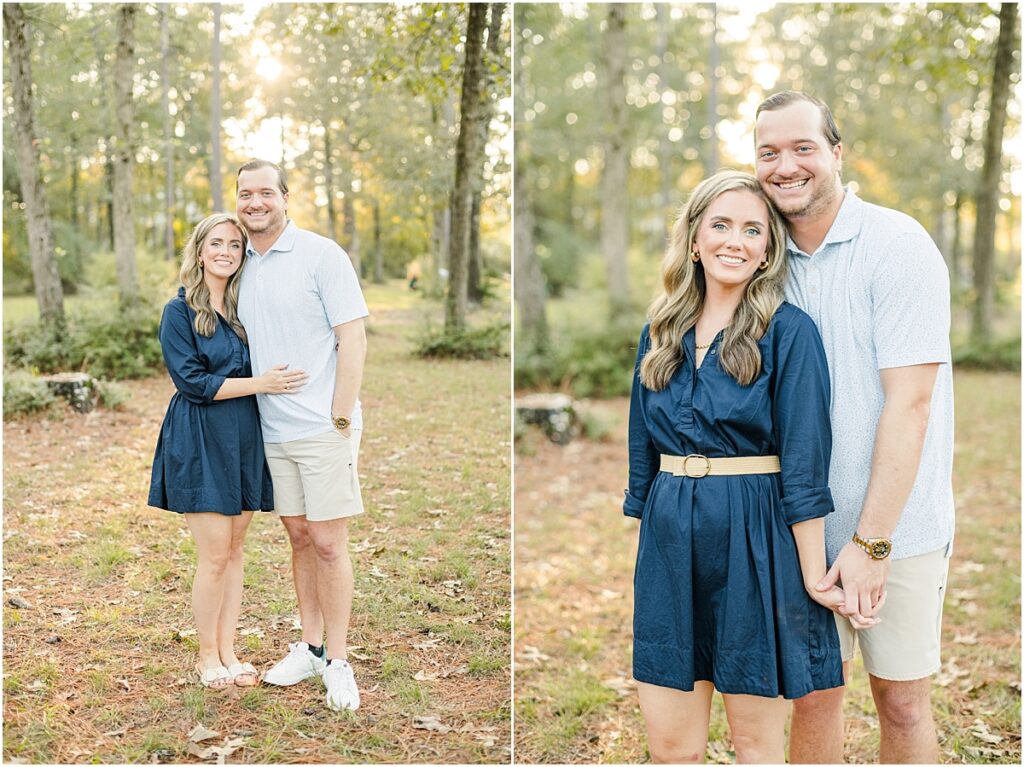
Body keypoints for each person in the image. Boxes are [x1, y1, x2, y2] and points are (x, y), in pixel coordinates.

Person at [625, 170, 856, 763]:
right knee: (672, 746)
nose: (736, 240)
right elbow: (640, 451)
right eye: (721, 224)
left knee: (756, 744)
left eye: (753, 229)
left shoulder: (788, 332)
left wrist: (811, 574)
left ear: (768, 249)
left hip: (757, 543)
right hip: (671, 541)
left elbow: (805, 464)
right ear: (695, 239)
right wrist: (653, 529)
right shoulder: (659, 332)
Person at [754, 90, 955, 764]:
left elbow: (911, 403)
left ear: (837, 154)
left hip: (900, 526)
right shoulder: (758, 257)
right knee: (813, 699)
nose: (786, 165)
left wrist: (871, 543)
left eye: (802, 147)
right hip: (801, 529)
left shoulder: (897, 245)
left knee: (901, 702)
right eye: (769, 152)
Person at [148, 213, 308, 689]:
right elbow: (192, 382)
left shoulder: (243, 312)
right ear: (199, 252)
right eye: (215, 243)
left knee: (236, 552)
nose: (225, 251)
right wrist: (264, 384)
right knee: (214, 556)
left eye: (234, 245)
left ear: (242, 255)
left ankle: (229, 650)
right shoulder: (178, 312)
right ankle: (205, 656)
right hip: (200, 436)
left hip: (243, 435)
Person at [235, 159, 369, 711]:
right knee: (298, 537)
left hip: (322, 427)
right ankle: (310, 647)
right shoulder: (237, 262)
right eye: (245, 194)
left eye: (265, 192)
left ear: (285, 197)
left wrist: (339, 415)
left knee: (330, 542)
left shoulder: (321, 254)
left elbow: (353, 337)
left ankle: (338, 660)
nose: (255, 202)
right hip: (271, 429)